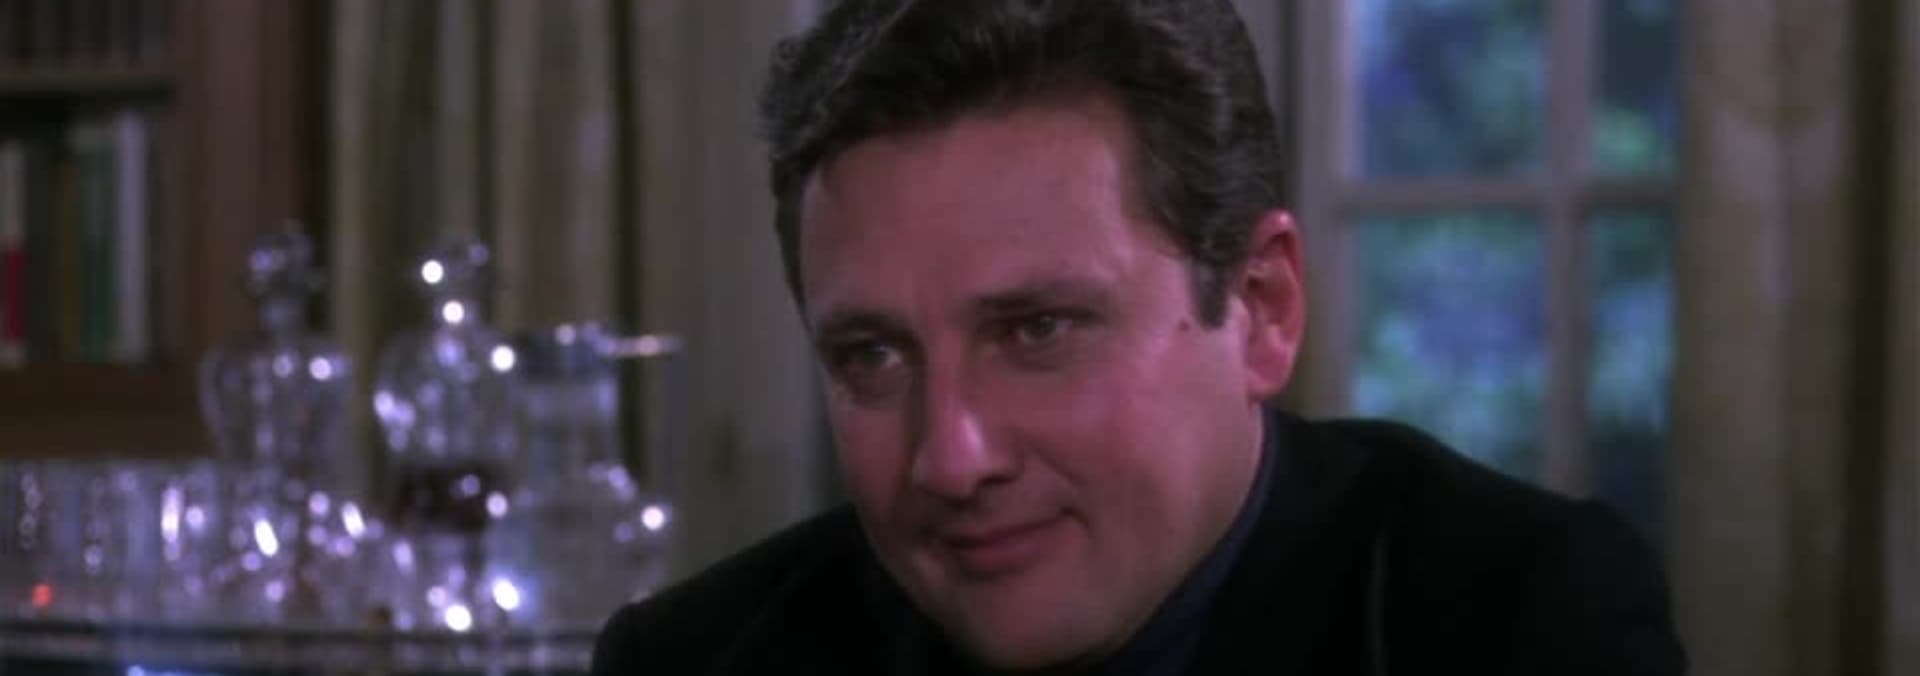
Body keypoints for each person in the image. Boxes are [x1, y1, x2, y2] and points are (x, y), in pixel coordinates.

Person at [592, 0, 1687, 673]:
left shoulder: (1518, 621)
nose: (951, 459)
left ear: (1261, 308)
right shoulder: (699, 661)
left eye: (1037, 329)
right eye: (872, 356)